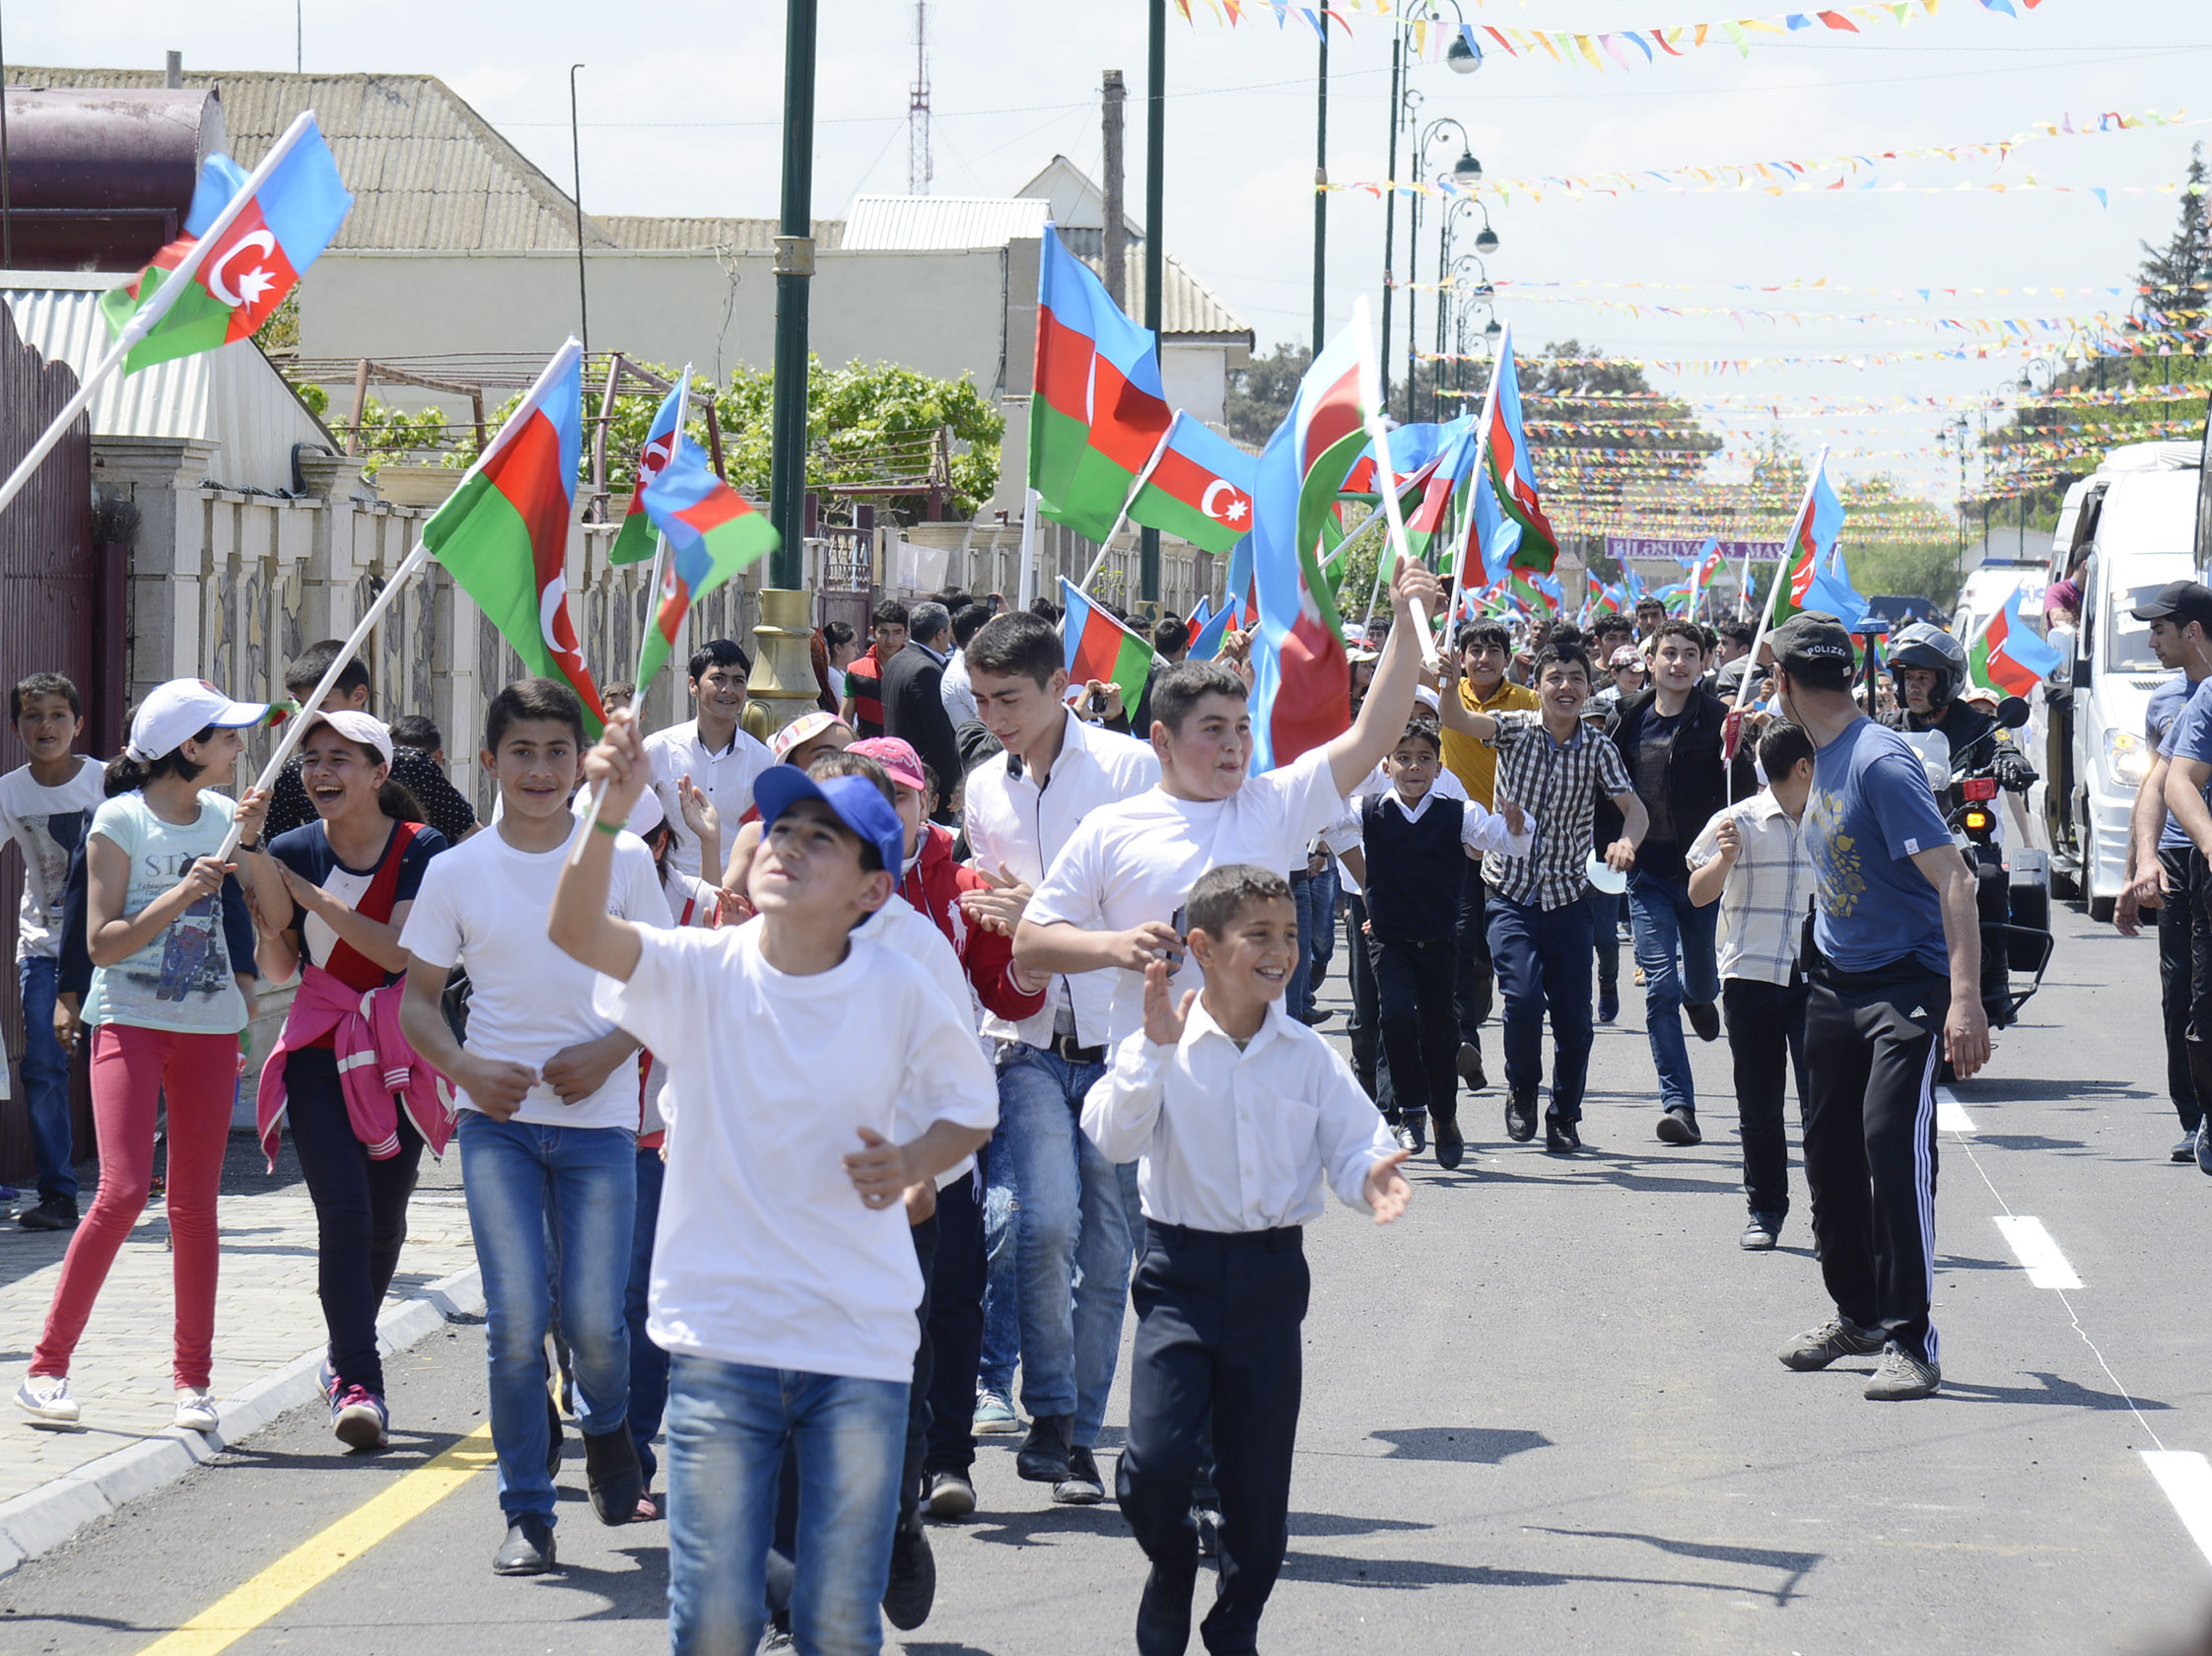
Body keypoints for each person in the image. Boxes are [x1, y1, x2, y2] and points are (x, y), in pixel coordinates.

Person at [547, 726, 997, 1656]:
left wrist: (913, 1160)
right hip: (723, 1340)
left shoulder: (902, 983)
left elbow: (970, 1112)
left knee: (835, 1619)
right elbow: (577, 932)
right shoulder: (700, 972)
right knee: (714, 1617)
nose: (788, 845)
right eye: (783, 825)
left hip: (857, 1343)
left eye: (821, 837)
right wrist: (603, 817)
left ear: (872, 889)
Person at [1083, 864, 1412, 1656]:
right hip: (1179, 1277)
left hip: (1269, 1282)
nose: (1281, 951)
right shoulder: (1160, 1039)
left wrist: (1372, 1173)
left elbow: (1353, 1137)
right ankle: (1170, 1564)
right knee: (1156, 1468)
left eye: (1291, 935)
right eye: (1258, 935)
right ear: (1202, 945)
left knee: (1259, 1507)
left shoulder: (1304, 1053)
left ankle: (1235, 1625)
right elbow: (1111, 1137)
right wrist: (1151, 1058)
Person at [396, 679, 667, 1573]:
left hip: (598, 1127)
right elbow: (420, 1006)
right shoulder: (456, 870)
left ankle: (610, 1428)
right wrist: (468, 1070)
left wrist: (612, 1052)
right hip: (497, 1128)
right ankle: (526, 1511)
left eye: (558, 751)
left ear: (582, 762)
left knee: (595, 1322)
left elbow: (668, 986)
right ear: (490, 763)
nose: (541, 769)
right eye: (523, 752)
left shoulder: (621, 857)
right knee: (516, 1320)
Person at [15, 680, 272, 1430]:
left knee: (196, 1205)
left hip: (211, 1027)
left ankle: (194, 1382)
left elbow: (247, 912)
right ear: (188, 747)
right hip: (127, 1020)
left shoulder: (226, 819)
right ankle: (46, 1369)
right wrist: (177, 897)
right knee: (123, 1191)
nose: (237, 748)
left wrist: (248, 980)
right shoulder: (118, 818)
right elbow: (100, 943)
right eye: (225, 737)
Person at [961, 611, 1159, 1503]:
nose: (995, 714)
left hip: (1121, 1043)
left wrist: (1046, 912)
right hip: (1029, 1043)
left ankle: (1074, 1428)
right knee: (1037, 1224)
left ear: (1058, 687)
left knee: (1110, 1247)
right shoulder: (981, 790)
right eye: (979, 698)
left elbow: (1159, 903)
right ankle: (1048, 1410)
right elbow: (989, 910)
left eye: (1009, 697)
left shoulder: (1129, 771)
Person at [1767, 612, 1989, 1403]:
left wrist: (1965, 1001)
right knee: (1828, 1157)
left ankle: (1910, 1339)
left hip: (1905, 987)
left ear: (1784, 683)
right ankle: (1856, 1317)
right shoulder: (1820, 755)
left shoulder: (1878, 762)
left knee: (1891, 1149)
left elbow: (1955, 879)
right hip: (1833, 983)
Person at [242, 710, 451, 1450]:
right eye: (311, 759)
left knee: (386, 1221)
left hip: (398, 1047)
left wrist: (306, 895)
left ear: (379, 773)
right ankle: (360, 1383)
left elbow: (396, 955)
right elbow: (280, 969)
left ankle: (343, 1354)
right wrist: (254, 872)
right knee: (345, 1216)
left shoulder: (422, 848)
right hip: (317, 1046)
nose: (321, 772)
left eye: (340, 758)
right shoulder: (288, 848)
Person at [1436, 641, 1648, 1153]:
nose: (1565, 688)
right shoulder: (1513, 728)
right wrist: (1445, 681)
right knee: (1524, 999)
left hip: (1569, 897)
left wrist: (1625, 841)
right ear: (1539, 687)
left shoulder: (1598, 748)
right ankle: (1523, 1089)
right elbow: (1457, 720)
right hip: (1508, 892)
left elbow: (1634, 810)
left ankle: (1565, 1113)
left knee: (1575, 1017)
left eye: (1576, 678)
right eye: (1555, 678)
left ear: (1588, 687)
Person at [1336, 718, 1529, 1167]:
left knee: (1440, 1035)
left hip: (1440, 940)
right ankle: (1413, 1111)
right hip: (1388, 939)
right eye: (1403, 758)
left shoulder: (1455, 811)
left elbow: (1499, 838)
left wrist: (1515, 825)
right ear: (1387, 766)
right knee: (1396, 1018)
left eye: (1424, 758)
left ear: (1439, 766)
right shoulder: (1369, 811)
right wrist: (1370, 891)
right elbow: (1330, 826)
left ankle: (1445, 1117)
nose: (1414, 767)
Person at [1611, 618, 1751, 1146]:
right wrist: (1613, 840)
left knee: (1699, 980)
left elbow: (1745, 791)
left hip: (1700, 874)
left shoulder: (1720, 720)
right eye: (1668, 653)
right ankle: (1679, 1104)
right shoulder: (1628, 719)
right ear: (1650, 661)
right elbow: (1610, 786)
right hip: (1646, 874)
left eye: (1689, 654)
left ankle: (1702, 995)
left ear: (1703, 662)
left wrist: (1743, 745)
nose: (1678, 663)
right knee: (1659, 986)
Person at [1687, 721, 1818, 1250]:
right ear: (1805, 766)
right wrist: (1724, 858)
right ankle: (1765, 1209)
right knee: (1758, 1108)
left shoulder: (1834, 818)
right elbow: (1697, 894)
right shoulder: (1735, 820)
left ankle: (1830, 1216)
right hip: (1749, 979)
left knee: (1823, 1109)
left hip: (1818, 981)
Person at [3, 673, 105, 1231]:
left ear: (78, 724)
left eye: (58, 714)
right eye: (33, 715)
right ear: (16, 727)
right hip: (41, 948)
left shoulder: (107, 783)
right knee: (44, 1064)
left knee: (122, 1063)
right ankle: (58, 1194)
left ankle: (129, 1183)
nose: (47, 725)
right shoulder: (9, 791)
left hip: (110, 944)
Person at [2119, 582, 2212, 1160]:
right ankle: (2195, 1115)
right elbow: (2158, 784)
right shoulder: (2169, 703)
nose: (2151, 640)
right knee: (2182, 992)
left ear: (2193, 632)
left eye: (2158, 629)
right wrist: (2142, 862)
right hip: (2184, 859)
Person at [1435, 619, 1539, 1094]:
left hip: (1509, 843)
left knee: (1489, 950)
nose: (1483, 659)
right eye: (1474, 649)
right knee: (1459, 939)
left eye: (1493, 650)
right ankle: (1463, 1038)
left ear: (1506, 657)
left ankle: (1472, 1019)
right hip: (1454, 841)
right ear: (1460, 655)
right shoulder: (1444, 694)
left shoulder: (1526, 704)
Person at [263, 641, 478, 843]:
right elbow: (273, 857)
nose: (321, 772)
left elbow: (469, 836)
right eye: (302, 706)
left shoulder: (413, 766)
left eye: (322, 704)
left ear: (380, 773)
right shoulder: (294, 774)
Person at [644, 639, 774, 882]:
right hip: (667, 890)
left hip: (733, 897)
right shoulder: (659, 748)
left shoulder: (763, 760)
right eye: (718, 679)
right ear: (693, 685)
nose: (729, 690)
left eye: (738, 680)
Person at [1881, 623, 2038, 801]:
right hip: (1901, 817)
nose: (1913, 687)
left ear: (1947, 681)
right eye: (1908, 677)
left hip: (1958, 817)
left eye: (1923, 678)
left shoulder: (1977, 726)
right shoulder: (1887, 728)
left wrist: (2012, 765)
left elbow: (2005, 750)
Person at [882, 602, 964, 824]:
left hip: (898, 770)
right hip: (924, 781)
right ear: (940, 633)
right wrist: (955, 786)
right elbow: (939, 737)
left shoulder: (896, 661)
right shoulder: (926, 670)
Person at [843, 598, 911, 739]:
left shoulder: (915, 670)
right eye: (884, 632)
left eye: (897, 632)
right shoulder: (855, 670)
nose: (890, 640)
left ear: (906, 633)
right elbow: (845, 718)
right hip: (867, 753)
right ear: (873, 632)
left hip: (905, 753)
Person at [938, 603, 989, 730]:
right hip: (983, 747)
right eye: (993, 631)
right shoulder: (962, 676)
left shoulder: (970, 669)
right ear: (979, 633)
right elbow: (994, 718)